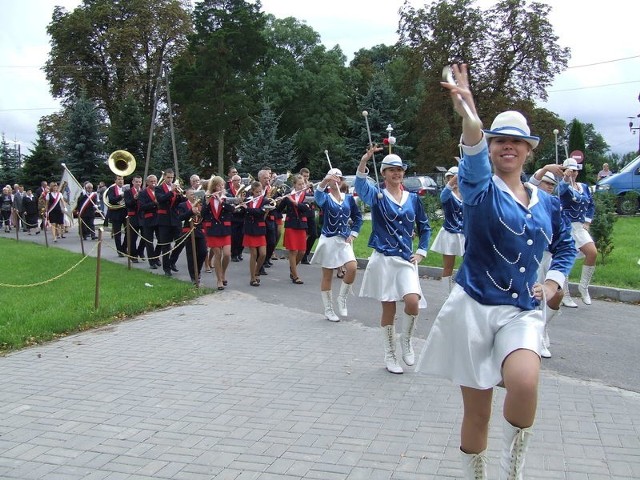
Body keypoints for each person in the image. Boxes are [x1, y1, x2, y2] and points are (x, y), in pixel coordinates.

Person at [417, 64, 576, 479]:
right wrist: (469, 113)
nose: (508, 147)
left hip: (521, 308)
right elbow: (471, 148)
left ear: (529, 151)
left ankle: (513, 470)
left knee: (524, 382)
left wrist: (555, 281)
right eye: (500, 141)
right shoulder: (479, 189)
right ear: (491, 148)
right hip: (473, 310)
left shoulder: (548, 203)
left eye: (516, 143)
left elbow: (565, 246)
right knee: (478, 414)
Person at [355, 145, 431, 375]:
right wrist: (364, 161)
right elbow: (360, 185)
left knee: (412, 301)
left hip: (406, 259)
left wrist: (422, 251)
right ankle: (389, 353)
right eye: (391, 170)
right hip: (384, 259)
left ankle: (406, 340)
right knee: (388, 308)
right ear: (384, 173)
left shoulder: (413, 198)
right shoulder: (377, 196)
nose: (396, 174)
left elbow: (424, 227)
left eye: (399, 170)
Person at [311, 168, 363, 321]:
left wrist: (353, 233)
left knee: (352, 268)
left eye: (338, 178)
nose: (335, 180)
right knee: (328, 275)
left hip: (344, 240)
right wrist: (325, 180)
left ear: (341, 181)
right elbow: (317, 197)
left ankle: (342, 298)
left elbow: (358, 217)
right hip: (329, 240)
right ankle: (328, 309)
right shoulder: (325, 198)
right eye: (332, 178)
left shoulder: (348, 199)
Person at [528, 167, 567, 358]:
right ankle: (538, 336)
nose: (550, 187)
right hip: (533, 254)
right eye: (547, 183)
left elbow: (564, 242)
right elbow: (531, 184)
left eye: (553, 185)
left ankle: (542, 329)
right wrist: (544, 169)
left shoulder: (552, 203)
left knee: (557, 293)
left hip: (550, 254)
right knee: (535, 295)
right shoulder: (527, 195)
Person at [558, 157, 598, 306]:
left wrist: (587, 221)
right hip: (566, 227)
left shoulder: (584, 187)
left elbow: (591, 205)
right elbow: (559, 192)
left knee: (592, 252)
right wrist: (565, 178)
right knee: (566, 259)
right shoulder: (563, 186)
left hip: (580, 227)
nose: (573, 173)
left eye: (575, 171)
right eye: (570, 170)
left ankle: (583, 287)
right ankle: (565, 295)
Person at [430, 166, 464, 292]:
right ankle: (446, 294)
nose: (453, 181)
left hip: (465, 234)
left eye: (454, 178)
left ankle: (466, 292)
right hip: (450, 234)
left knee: (469, 265)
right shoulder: (447, 195)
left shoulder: (467, 195)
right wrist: (454, 179)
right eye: (449, 179)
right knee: (448, 267)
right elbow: (443, 195)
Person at [276, 174, 312, 285]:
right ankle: (295, 276)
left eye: (303, 184)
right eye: (299, 184)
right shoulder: (288, 196)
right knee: (293, 251)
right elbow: (278, 210)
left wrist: (295, 202)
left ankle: (292, 268)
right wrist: (278, 201)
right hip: (291, 225)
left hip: (302, 225)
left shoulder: (306, 196)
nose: (302, 186)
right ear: (294, 185)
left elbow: (307, 210)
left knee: (302, 251)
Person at [202, 176, 234, 290]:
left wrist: (221, 201)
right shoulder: (207, 197)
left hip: (225, 229)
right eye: (218, 185)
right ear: (213, 186)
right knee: (218, 254)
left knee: (227, 254)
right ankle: (219, 280)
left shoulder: (227, 197)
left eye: (222, 185)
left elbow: (232, 210)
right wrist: (206, 202)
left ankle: (223, 273)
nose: (220, 187)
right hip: (213, 230)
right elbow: (203, 214)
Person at [155, 169, 185, 276]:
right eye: (168, 177)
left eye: (172, 178)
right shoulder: (158, 188)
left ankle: (172, 261)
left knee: (181, 241)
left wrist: (181, 196)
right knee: (165, 245)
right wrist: (171, 192)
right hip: (164, 220)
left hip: (175, 219)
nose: (170, 179)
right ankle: (166, 269)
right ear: (164, 177)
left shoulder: (176, 188)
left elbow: (181, 203)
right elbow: (161, 200)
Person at [240, 181, 269, 287]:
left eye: (260, 191)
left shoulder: (265, 201)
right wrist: (241, 205)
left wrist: (248, 209)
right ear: (252, 191)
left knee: (263, 254)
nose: (258, 194)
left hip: (260, 229)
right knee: (254, 254)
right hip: (250, 229)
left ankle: (257, 271)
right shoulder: (248, 201)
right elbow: (242, 213)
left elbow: (260, 212)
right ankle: (253, 278)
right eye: (256, 192)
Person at [177, 188, 207, 284]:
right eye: (191, 194)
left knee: (203, 252)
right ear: (187, 195)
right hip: (188, 231)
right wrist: (191, 211)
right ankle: (194, 276)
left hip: (200, 231)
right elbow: (180, 217)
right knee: (191, 254)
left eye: (195, 194)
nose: (193, 196)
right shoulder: (182, 205)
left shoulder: (201, 205)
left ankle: (197, 270)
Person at [138, 174, 161, 270]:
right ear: (147, 183)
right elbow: (142, 207)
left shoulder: (159, 191)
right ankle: (152, 261)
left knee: (161, 240)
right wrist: (154, 203)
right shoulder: (143, 193)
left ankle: (156, 256)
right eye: (151, 181)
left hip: (159, 218)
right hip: (148, 219)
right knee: (149, 241)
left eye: (155, 181)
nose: (154, 183)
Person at [124, 175, 144, 262]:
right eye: (136, 182)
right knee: (133, 237)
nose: (138, 184)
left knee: (145, 236)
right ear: (133, 182)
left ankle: (140, 251)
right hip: (133, 216)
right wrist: (134, 198)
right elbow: (128, 204)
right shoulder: (128, 192)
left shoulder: (143, 191)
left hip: (142, 216)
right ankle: (133, 255)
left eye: (140, 182)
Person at [299, 167, 318, 264]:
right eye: (304, 176)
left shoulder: (310, 185)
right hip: (302, 213)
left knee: (314, 234)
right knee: (303, 235)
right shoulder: (300, 185)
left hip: (310, 212)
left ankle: (306, 253)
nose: (306, 178)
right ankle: (301, 255)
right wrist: (304, 188)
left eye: (307, 176)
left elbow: (313, 196)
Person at [226, 174, 246, 262]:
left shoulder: (245, 191)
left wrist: (243, 200)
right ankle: (234, 254)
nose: (238, 182)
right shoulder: (228, 191)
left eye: (239, 180)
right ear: (232, 182)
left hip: (242, 215)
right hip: (233, 216)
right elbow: (227, 202)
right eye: (236, 180)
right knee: (234, 237)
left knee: (242, 236)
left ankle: (239, 252)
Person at [106, 176, 128, 254]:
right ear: (115, 181)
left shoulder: (127, 189)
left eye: (122, 179)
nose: (120, 181)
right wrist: (121, 195)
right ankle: (119, 250)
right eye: (118, 179)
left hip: (126, 212)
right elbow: (111, 200)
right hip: (116, 213)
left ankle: (124, 248)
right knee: (117, 233)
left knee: (128, 232)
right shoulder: (111, 189)